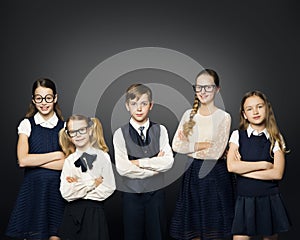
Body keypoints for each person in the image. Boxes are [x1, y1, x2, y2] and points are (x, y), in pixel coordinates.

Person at [170, 69, 235, 240]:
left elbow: (217, 152)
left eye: (208, 87)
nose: (203, 92)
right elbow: (176, 145)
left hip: (216, 175)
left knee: (215, 227)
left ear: (217, 89)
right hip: (192, 174)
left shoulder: (224, 117)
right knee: (194, 227)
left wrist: (190, 147)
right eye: (199, 87)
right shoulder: (188, 115)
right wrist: (203, 144)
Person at [6, 78, 66, 240]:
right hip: (33, 191)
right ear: (33, 100)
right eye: (39, 98)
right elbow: (23, 160)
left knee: (56, 235)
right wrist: (57, 154)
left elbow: (67, 164)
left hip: (57, 192)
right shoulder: (27, 124)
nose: (44, 102)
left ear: (55, 98)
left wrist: (36, 161)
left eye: (48, 97)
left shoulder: (65, 127)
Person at [227, 90, 292, 240]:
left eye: (259, 107)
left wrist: (242, 170)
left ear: (267, 109)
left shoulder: (276, 138)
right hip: (244, 198)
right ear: (244, 114)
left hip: (269, 199)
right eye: (249, 109)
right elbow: (231, 167)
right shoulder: (237, 135)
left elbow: (277, 174)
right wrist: (263, 164)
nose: (255, 112)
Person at [112, 83, 174, 240]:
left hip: (156, 196)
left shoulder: (161, 130)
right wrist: (154, 164)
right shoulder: (120, 133)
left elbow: (168, 163)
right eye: (134, 104)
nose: (139, 109)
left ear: (151, 105)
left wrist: (138, 163)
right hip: (131, 197)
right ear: (127, 106)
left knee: (158, 236)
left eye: (144, 104)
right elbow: (123, 169)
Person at [58, 114, 116, 240]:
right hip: (72, 214)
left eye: (81, 130)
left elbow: (108, 188)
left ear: (89, 130)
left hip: (94, 213)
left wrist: (78, 184)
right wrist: (93, 183)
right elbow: (66, 193)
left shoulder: (103, 157)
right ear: (69, 135)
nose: (78, 135)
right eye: (73, 132)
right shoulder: (69, 161)